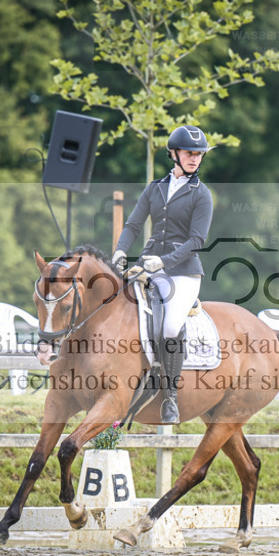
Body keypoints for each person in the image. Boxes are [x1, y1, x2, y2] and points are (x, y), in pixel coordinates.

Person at [111, 125, 214, 424]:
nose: (194, 159)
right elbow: (132, 225)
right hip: (148, 266)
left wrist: (164, 262)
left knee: (169, 326)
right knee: (118, 308)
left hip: (183, 273)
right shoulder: (155, 188)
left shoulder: (202, 195)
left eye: (198, 154)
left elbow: (197, 241)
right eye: (189, 153)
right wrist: (120, 251)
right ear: (174, 153)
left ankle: (170, 396)